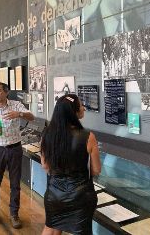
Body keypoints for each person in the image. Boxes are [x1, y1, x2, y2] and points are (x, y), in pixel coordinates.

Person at [40, 94, 101, 235]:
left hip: (54, 194)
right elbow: (96, 170)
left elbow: (45, 166)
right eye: (80, 106)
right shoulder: (88, 136)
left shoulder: (47, 134)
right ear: (73, 112)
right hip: (81, 196)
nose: (83, 108)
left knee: (51, 228)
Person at [0, 82, 34, 229]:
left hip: (15, 149)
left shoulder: (16, 105)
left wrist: (19, 114)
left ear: (6, 92)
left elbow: (31, 116)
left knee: (15, 184)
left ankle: (14, 214)